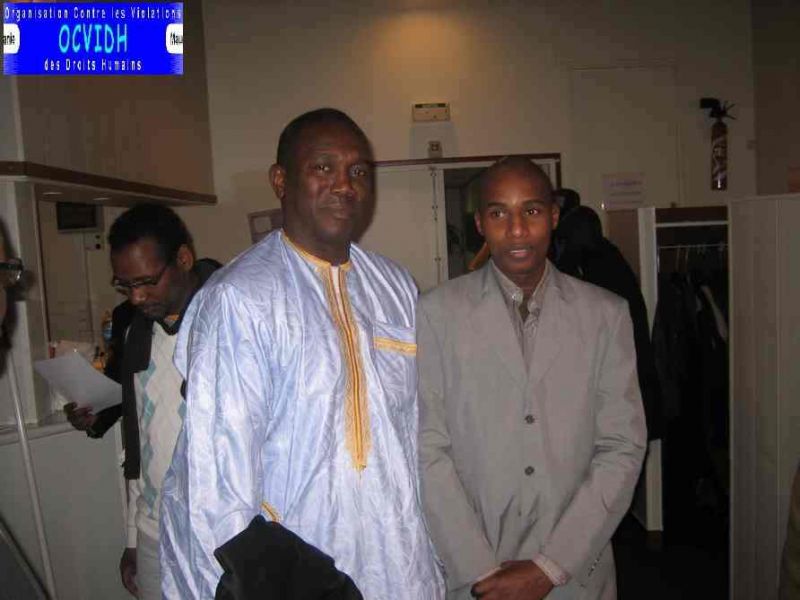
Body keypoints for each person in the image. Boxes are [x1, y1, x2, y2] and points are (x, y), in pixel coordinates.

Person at [160, 108, 444, 599]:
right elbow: (217, 476)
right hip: (298, 568)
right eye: (323, 167)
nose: (345, 185)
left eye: (358, 171)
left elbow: (417, 430)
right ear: (280, 181)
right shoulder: (240, 298)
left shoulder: (395, 287)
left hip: (399, 561)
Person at [417, 157, 646, 599]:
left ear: (554, 216)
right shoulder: (436, 314)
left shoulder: (605, 315)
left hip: (576, 571)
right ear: (480, 224)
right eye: (499, 213)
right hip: (475, 574)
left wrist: (549, 567)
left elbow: (622, 445)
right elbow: (427, 449)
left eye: (532, 211)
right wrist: (478, 570)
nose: (517, 230)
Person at [69, 204, 220, 600]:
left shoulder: (229, 322)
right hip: (155, 530)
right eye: (125, 285)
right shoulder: (137, 334)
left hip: (223, 531)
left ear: (183, 259)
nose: (136, 297)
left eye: (147, 281)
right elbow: (141, 443)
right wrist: (134, 537)